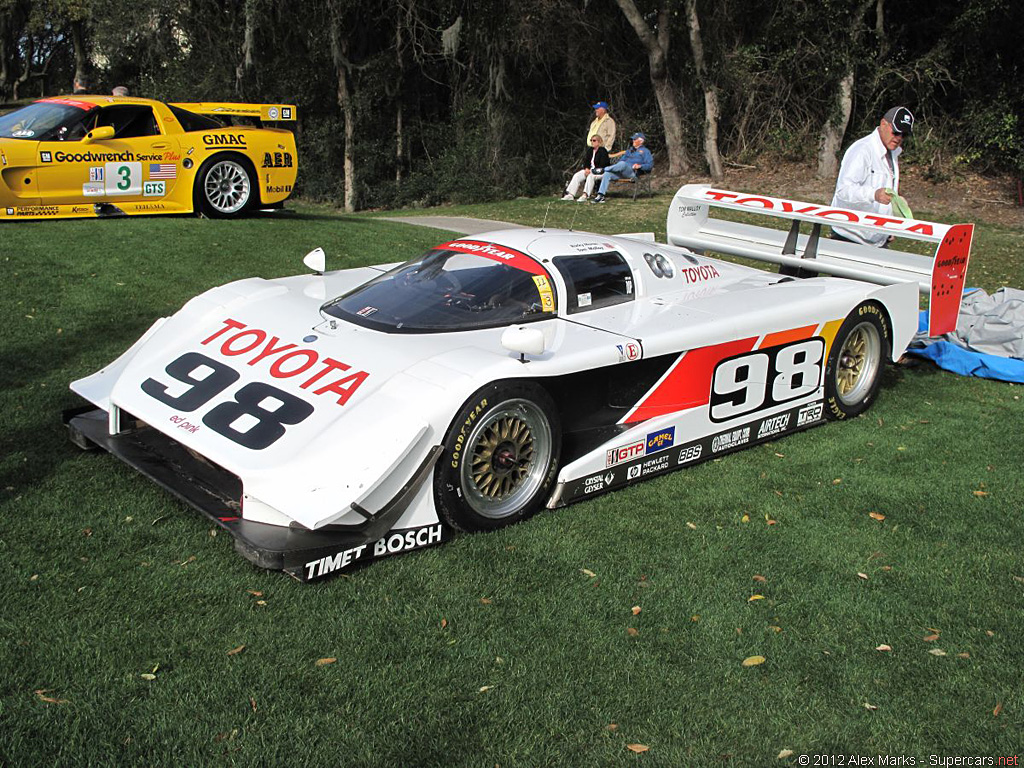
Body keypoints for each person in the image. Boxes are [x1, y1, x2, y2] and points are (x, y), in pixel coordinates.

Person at [830, 106, 915, 247]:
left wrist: (891, 220)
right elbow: (843, 191)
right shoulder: (862, 150)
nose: (899, 138)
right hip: (850, 237)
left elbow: (885, 193)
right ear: (883, 124)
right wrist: (873, 194)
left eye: (904, 135)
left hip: (877, 241)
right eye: (896, 131)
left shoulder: (893, 153)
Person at [591, 132, 654, 203]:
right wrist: (618, 167)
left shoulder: (645, 152)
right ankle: (600, 196)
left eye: (635, 139)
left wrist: (640, 166)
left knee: (622, 164)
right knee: (607, 173)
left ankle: (603, 169)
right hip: (622, 172)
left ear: (641, 141)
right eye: (633, 139)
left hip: (633, 173)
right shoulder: (630, 150)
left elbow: (650, 165)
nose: (633, 141)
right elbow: (621, 161)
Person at [562, 135, 611, 201]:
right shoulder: (590, 150)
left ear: (599, 142)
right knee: (577, 175)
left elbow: (604, 165)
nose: (592, 142)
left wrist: (592, 171)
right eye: (591, 140)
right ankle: (570, 194)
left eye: (594, 140)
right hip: (590, 170)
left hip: (600, 172)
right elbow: (586, 161)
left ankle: (585, 195)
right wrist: (586, 168)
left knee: (590, 176)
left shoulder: (603, 151)